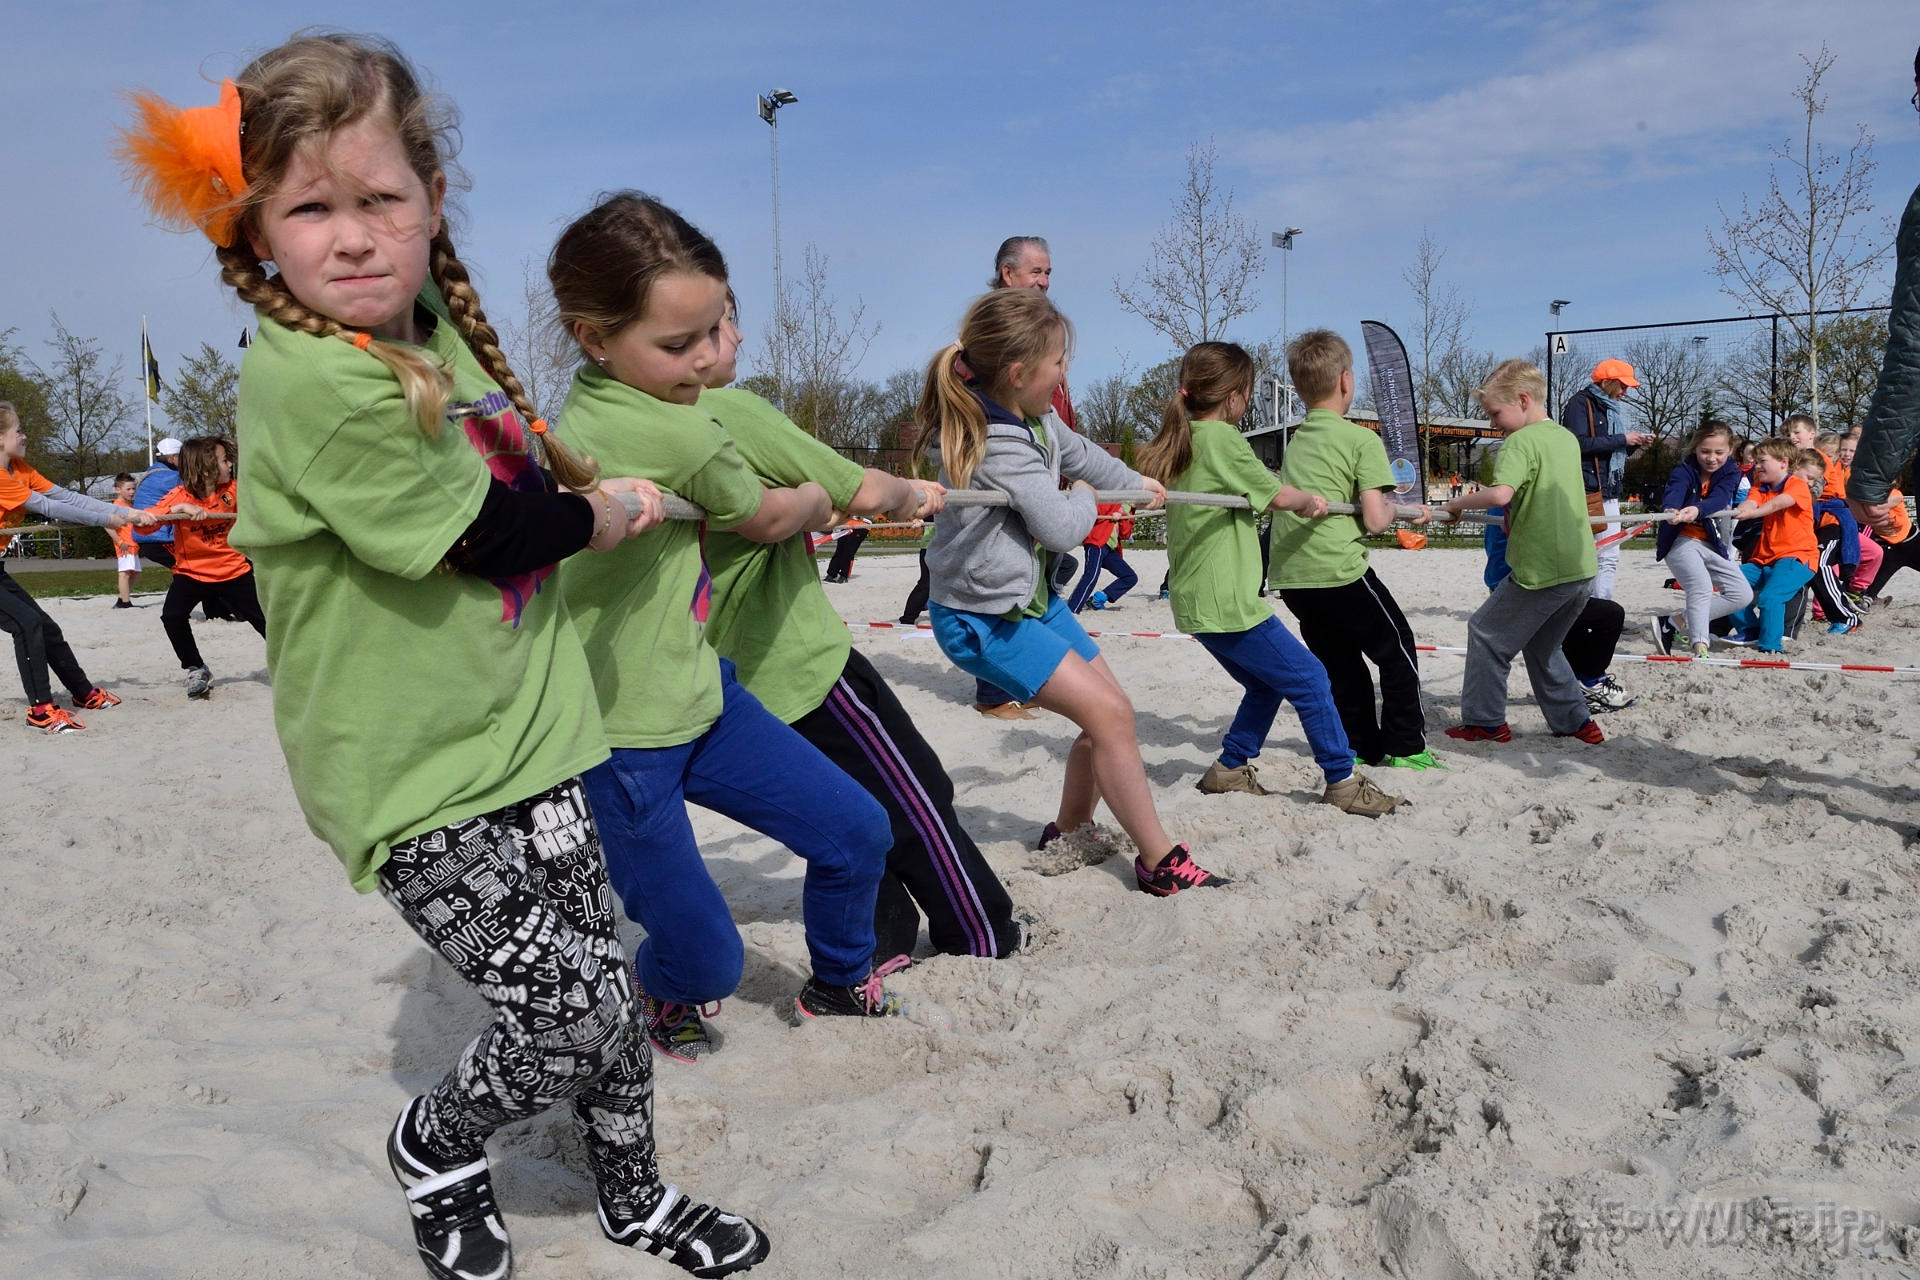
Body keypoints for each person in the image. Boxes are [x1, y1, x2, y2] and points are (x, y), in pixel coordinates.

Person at [120, 38, 767, 1277]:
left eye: (381, 200)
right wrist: (615, 510)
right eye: (312, 207)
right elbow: (486, 532)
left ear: (432, 203)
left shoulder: (439, 337)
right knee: (565, 1007)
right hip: (411, 776)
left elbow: (515, 464)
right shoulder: (309, 377)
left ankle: (631, 1194)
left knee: (602, 992)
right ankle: (436, 1138)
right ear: (256, 229)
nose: (353, 237)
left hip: (536, 734)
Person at [548, 192, 903, 1052]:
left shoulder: (603, 405)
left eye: (714, 330)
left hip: (704, 695)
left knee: (858, 830)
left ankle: (839, 981)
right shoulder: (689, 439)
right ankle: (660, 992)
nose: (707, 361)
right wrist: (823, 495)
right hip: (624, 738)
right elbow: (771, 511)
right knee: (708, 964)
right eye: (678, 343)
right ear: (593, 335)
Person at [695, 298, 1029, 981]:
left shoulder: (616, 428)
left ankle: (885, 938)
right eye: (725, 317)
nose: (739, 331)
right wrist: (912, 493)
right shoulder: (728, 413)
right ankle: (981, 933)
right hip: (801, 666)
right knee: (914, 798)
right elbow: (859, 487)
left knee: (840, 812)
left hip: (731, 681)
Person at [919, 287, 1234, 896]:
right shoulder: (997, 443)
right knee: (1110, 716)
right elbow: (1064, 526)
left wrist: (1137, 483)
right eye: (1059, 361)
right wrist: (1092, 498)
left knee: (1112, 716)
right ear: (1018, 373)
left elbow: (1086, 457)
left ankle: (1069, 830)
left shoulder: (1037, 420)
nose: (1066, 371)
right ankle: (1158, 861)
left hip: (1030, 602)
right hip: (981, 618)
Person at [1139, 340, 1405, 814]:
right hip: (1228, 602)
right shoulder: (1221, 439)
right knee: (1310, 678)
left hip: (1197, 599)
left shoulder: (1184, 439)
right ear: (1236, 397)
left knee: (1265, 685)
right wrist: (1310, 501)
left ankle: (1229, 769)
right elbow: (1279, 496)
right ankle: (1342, 781)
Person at [1270, 329, 1438, 771]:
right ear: (1346, 381)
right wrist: (1405, 510)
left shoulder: (1296, 440)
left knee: (1341, 665)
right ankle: (1406, 747)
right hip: (1338, 570)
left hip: (1293, 577)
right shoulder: (1360, 439)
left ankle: (1362, 747)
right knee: (1396, 649)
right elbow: (1377, 519)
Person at [1442, 360, 1603, 745]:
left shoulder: (1518, 442)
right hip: (1580, 567)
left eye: (1496, 413)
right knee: (1543, 646)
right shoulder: (1565, 438)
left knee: (1485, 632)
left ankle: (1485, 721)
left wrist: (1459, 503)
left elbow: (1501, 495)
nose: (1494, 423)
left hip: (1542, 568)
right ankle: (1577, 722)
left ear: (1523, 400)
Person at [0, 402, 138, 731]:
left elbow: (68, 498)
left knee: (45, 627)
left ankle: (82, 693)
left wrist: (127, 514)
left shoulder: (20, 469)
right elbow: (46, 507)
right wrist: (109, 519)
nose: (24, 435)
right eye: (17, 430)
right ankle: (41, 710)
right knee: (27, 624)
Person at [142, 436, 267, 697]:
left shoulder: (234, 490)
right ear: (207, 469)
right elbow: (141, 527)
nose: (231, 464)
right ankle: (196, 667)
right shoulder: (179, 496)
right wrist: (177, 508)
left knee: (264, 619)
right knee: (172, 616)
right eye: (225, 460)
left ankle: (289, 665)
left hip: (234, 571)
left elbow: (264, 511)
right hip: (192, 574)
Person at [1647, 421, 1750, 659]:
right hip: (1680, 541)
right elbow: (1674, 490)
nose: (1711, 458)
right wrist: (1672, 508)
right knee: (1701, 588)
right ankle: (1700, 645)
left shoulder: (1731, 472)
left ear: (1730, 451)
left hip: (1710, 542)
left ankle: (1673, 622)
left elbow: (1719, 498)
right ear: (1695, 449)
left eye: (1719, 453)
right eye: (1705, 451)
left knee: (1741, 593)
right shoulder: (1684, 470)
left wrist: (1696, 509)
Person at [1559, 358, 1653, 600]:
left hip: (1608, 488)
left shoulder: (1609, 408)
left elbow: (1607, 453)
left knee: (1606, 554)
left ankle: (1598, 609)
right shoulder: (1580, 403)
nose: (1625, 392)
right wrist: (1623, 439)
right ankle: (1597, 611)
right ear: (1609, 382)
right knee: (1601, 554)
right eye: (1623, 386)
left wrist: (1633, 445)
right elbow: (1577, 444)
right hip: (1588, 489)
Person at [1722, 439, 1817, 652]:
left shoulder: (1797, 485)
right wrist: (1741, 510)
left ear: (1784, 462)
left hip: (1797, 557)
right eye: (1755, 461)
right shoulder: (1760, 486)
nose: (1756, 466)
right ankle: (1751, 631)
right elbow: (1750, 502)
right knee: (1729, 582)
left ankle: (1770, 647)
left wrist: (1752, 513)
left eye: (1762, 461)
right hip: (1764, 559)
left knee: (1770, 597)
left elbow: (1776, 504)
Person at [1796, 450, 1863, 634]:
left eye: (1796, 433)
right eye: (1787, 434)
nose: (1792, 437)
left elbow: (1812, 493)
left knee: (1818, 562)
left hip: (1831, 520)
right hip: (1812, 524)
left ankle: (1846, 615)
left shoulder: (1818, 458)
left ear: (1810, 434)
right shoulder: (1789, 456)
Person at [1066, 501, 1138, 612]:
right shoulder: (1112, 498)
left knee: (1130, 577)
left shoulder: (1128, 509)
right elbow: (1094, 512)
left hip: (1110, 548)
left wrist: (1128, 514)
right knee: (1091, 576)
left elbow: (1125, 534)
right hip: (1097, 542)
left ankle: (1099, 598)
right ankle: (1072, 608)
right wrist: (1114, 512)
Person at [131, 437, 182, 569]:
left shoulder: (153, 474)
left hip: (148, 537)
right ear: (172, 458)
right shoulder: (170, 478)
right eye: (183, 457)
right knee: (191, 568)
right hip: (160, 538)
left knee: (187, 572)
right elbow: (200, 489)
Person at [110, 472, 141, 607]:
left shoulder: (128, 506)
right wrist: (119, 541)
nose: (132, 492)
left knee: (136, 573)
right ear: (118, 489)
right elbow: (107, 525)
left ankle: (121, 598)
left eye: (133, 488)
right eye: (128, 489)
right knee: (125, 573)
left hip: (132, 544)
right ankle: (125, 602)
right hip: (125, 544)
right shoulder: (116, 506)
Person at [820, 514, 869, 583]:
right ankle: (831, 574)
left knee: (849, 551)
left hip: (861, 525)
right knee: (840, 550)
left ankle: (844, 575)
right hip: (847, 524)